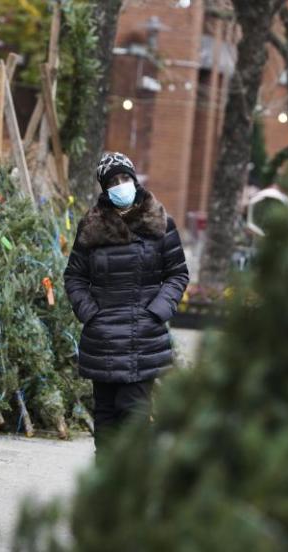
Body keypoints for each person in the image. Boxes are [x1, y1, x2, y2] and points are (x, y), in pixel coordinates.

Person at [64, 152, 189, 451]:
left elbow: (177, 275)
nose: (120, 185)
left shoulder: (160, 223)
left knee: (134, 415)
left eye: (124, 178)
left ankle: (132, 490)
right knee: (105, 420)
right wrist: (89, 313)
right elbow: (74, 277)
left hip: (142, 337)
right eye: (113, 181)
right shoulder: (91, 226)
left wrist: (156, 312)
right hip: (102, 337)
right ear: (105, 189)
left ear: (134, 180)